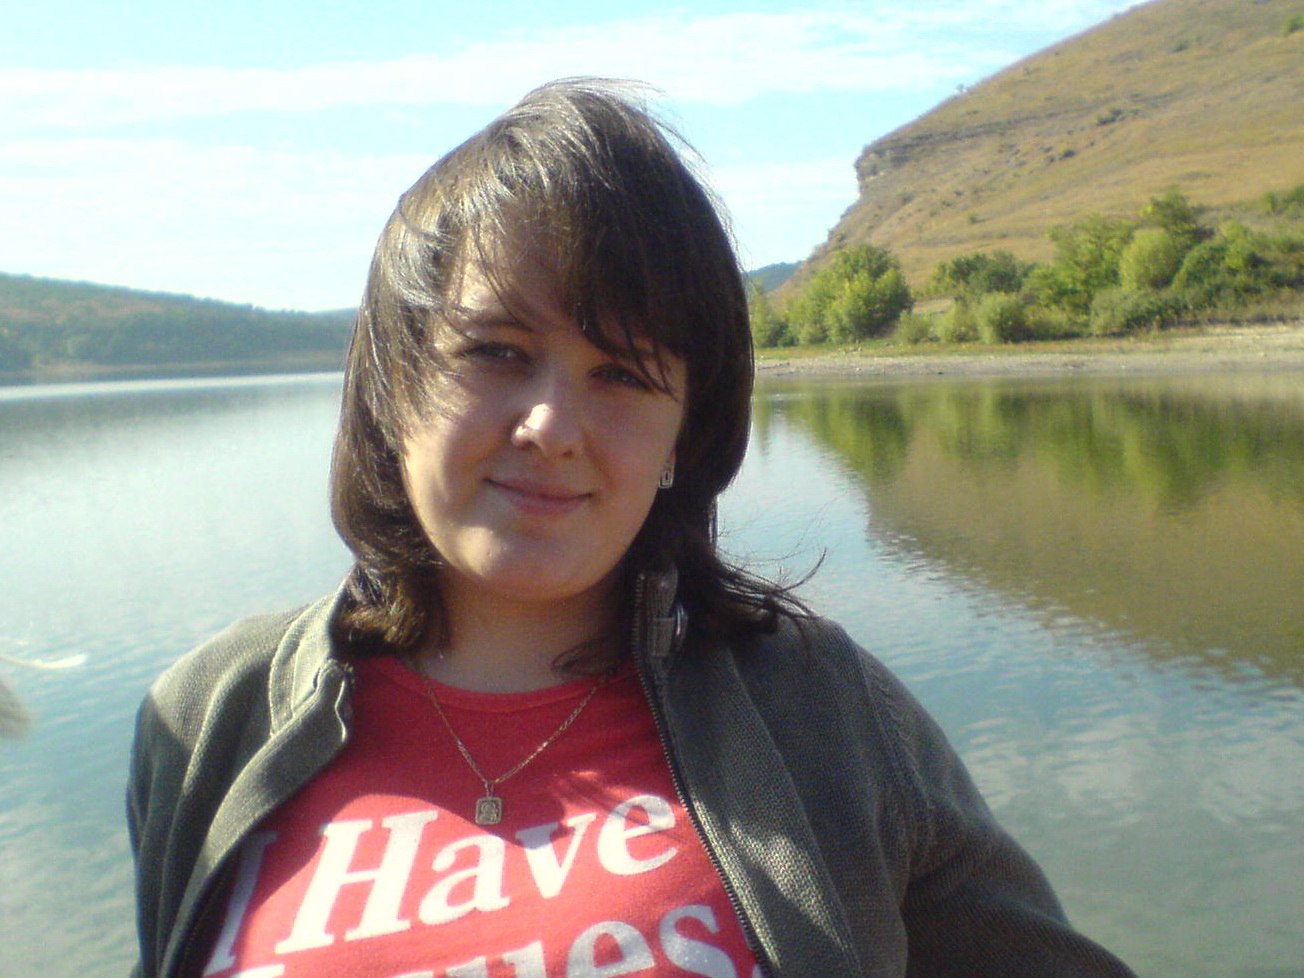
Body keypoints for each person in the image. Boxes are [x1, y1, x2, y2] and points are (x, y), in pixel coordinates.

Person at [126, 79, 1137, 978]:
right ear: (394, 384)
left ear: (680, 437)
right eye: (496, 351)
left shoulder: (823, 713)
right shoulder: (214, 714)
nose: (552, 427)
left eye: (620, 372)